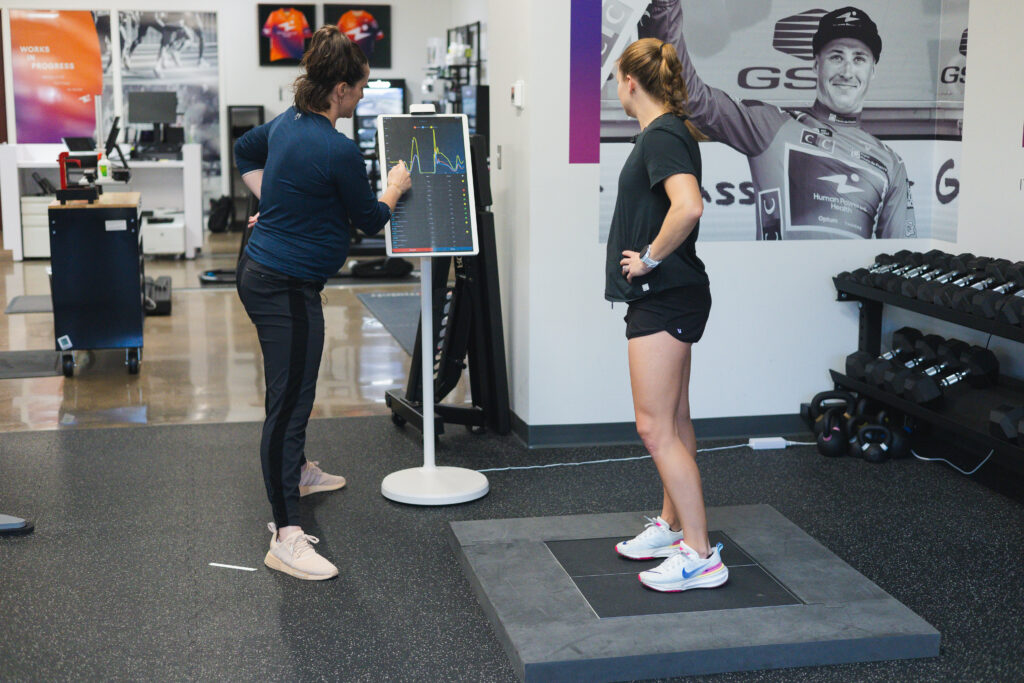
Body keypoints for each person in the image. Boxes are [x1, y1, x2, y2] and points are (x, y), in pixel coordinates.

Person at [234, 25, 412, 580]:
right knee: (287, 404)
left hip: (274, 275)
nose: (361, 96)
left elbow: (245, 149)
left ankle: (299, 472)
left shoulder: (289, 123)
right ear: (338, 89)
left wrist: (276, 203)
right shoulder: (335, 148)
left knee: (295, 394)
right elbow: (370, 218)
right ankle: (286, 535)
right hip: (281, 285)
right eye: (359, 88)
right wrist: (395, 187)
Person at [607, 38, 728, 592]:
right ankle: (671, 526)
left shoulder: (661, 135)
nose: (615, 89)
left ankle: (700, 553)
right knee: (675, 422)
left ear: (631, 82)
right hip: (674, 296)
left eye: (616, 79)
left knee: (653, 427)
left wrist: (650, 257)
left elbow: (690, 204)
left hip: (665, 297)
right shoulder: (669, 132)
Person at [641, 2, 916, 240]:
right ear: (816, 65)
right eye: (836, 57)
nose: (847, 70)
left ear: (872, 71)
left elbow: (900, 260)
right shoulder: (771, 126)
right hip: (777, 293)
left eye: (859, 59)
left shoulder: (891, 164)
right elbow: (691, 97)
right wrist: (665, 6)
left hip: (849, 300)